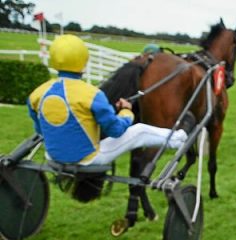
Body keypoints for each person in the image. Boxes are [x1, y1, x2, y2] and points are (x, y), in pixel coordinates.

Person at [27, 34, 188, 166]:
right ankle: (180, 137)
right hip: (88, 159)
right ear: (84, 62)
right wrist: (126, 111)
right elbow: (116, 130)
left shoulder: (37, 93)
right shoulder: (92, 94)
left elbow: (41, 129)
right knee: (140, 130)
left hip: (52, 156)